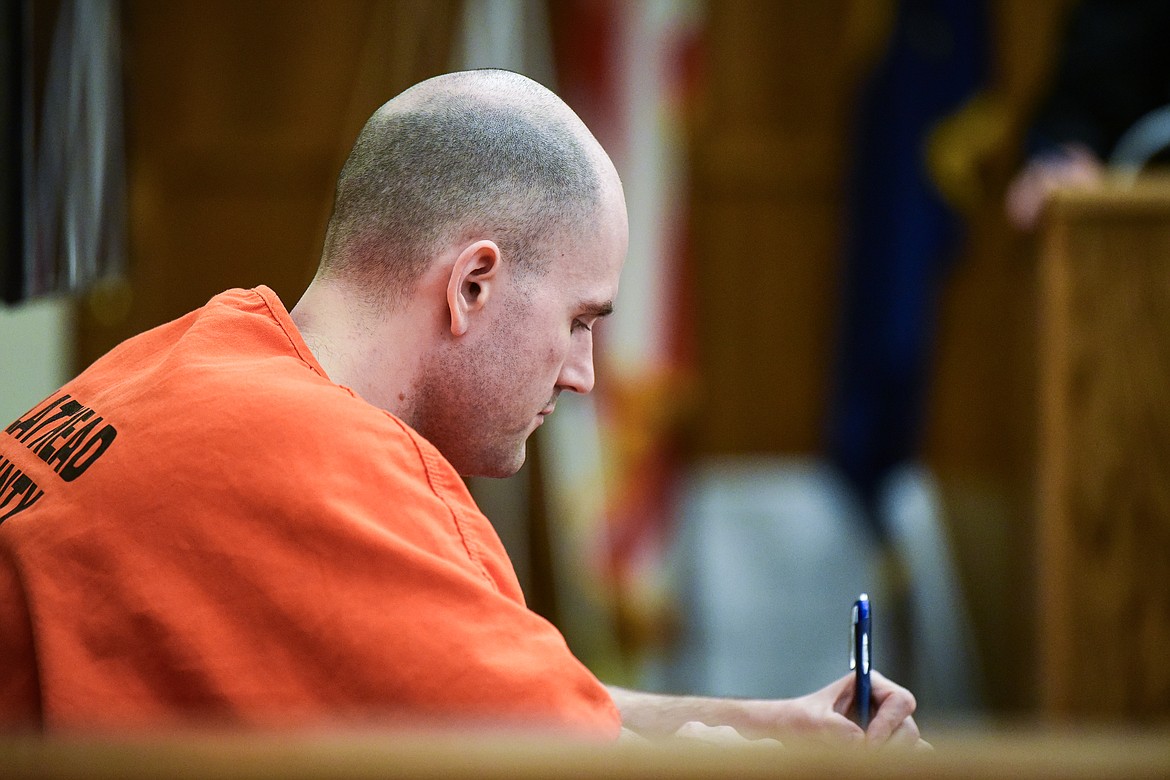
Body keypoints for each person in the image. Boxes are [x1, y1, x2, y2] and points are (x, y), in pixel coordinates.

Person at [0, 69, 925, 748]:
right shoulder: (334, 473)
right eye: (579, 320)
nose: (585, 375)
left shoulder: (177, 362)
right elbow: (566, 760)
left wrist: (764, 725)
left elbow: (489, 692)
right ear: (473, 284)